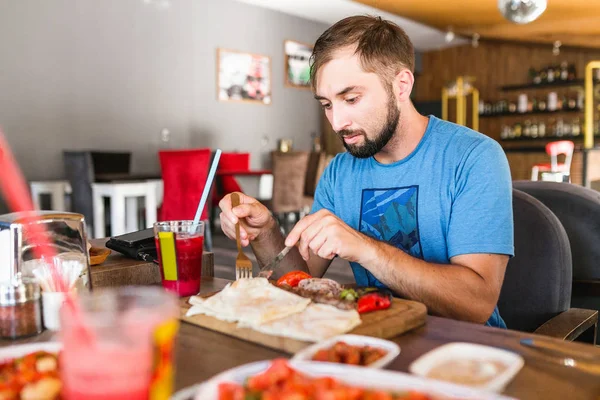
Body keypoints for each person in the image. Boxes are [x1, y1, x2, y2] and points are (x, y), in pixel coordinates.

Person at [219, 16, 513, 328]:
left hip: (464, 354)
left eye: (351, 99)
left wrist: (365, 248)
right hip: (371, 338)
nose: (337, 122)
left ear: (401, 85)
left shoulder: (473, 157)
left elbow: (475, 305)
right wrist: (265, 232)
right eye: (327, 105)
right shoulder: (339, 172)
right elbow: (300, 281)